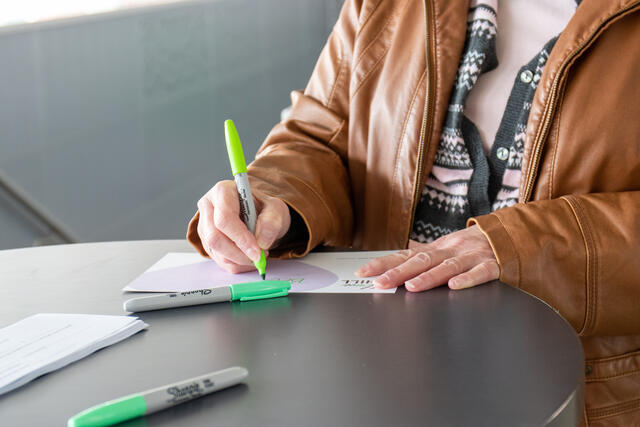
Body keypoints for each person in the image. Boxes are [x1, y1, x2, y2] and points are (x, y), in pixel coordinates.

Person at [187, 1, 640, 424]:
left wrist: (520, 244)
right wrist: (274, 198)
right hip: (381, 380)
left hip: (582, 398)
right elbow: (322, 135)